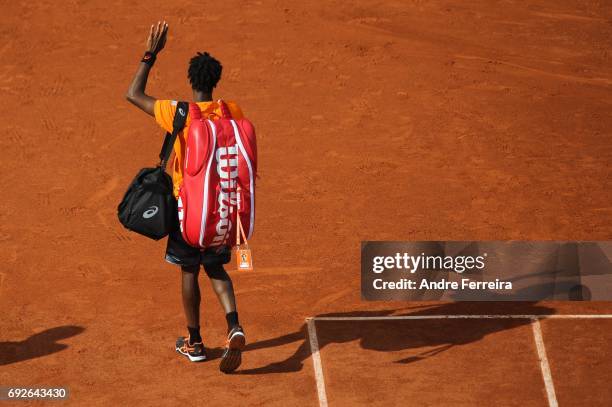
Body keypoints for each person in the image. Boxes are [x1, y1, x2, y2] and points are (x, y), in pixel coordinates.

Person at [125, 21, 246, 373]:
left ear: (193, 82)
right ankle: (234, 325)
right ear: (215, 80)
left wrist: (150, 54)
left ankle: (194, 342)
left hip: (188, 211)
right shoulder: (232, 112)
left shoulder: (179, 113)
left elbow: (133, 94)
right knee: (216, 266)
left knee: (188, 272)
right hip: (223, 209)